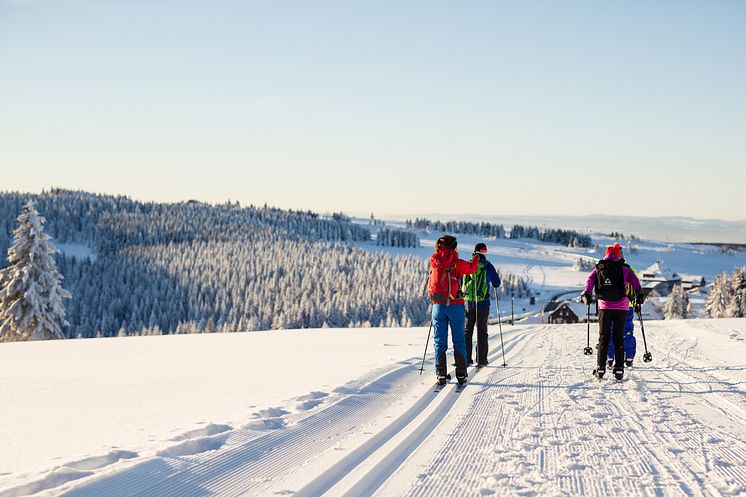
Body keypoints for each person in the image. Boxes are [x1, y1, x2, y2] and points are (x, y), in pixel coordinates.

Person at [581, 243, 644, 380]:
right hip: (622, 307)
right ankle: (619, 369)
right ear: (618, 255)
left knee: (604, 337)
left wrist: (586, 294)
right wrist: (639, 295)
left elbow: (589, 282)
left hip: (604, 307)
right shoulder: (625, 269)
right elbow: (636, 283)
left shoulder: (599, 268)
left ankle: (601, 369)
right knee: (618, 337)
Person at [428, 235, 479, 386]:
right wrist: (475, 258)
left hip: (438, 305)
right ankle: (461, 374)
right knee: (459, 339)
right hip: (455, 305)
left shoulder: (434, 261)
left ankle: (441, 374)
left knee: (439, 341)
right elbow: (472, 268)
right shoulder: (456, 262)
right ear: (453, 247)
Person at [462, 243, 501, 368]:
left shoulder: (468, 265)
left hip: (469, 303)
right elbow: (496, 283)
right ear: (484, 253)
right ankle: (482, 360)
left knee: (468, 331)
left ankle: (466, 359)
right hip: (483, 303)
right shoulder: (488, 266)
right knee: (482, 331)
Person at [605, 248, 640, 367]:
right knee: (627, 331)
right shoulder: (630, 269)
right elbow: (636, 286)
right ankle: (629, 356)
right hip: (627, 305)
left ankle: (610, 356)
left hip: (610, 305)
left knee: (610, 330)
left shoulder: (607, 268)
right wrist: (637, 303)